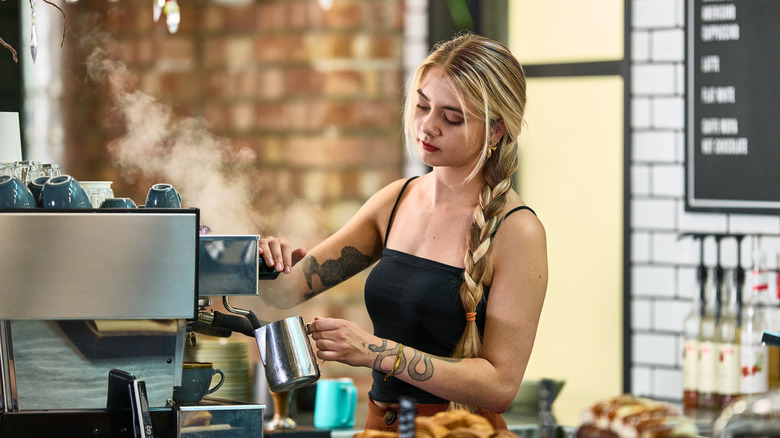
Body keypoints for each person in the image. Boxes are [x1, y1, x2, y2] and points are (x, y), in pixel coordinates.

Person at [257, 33, 548, 431]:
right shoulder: (395, 201)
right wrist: (259, 261)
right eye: (423, 106)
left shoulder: (518, 232)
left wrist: (376, 352)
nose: (427, 127)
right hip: (381, 427)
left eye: (452, 117)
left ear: (497, 131)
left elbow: (500, 385)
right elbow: (282, 293)